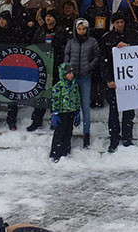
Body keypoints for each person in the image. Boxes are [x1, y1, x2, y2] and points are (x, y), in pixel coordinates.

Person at [100, 11, 138, 153]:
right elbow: (103, 61)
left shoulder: (133, 35)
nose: (120, 25)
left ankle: (127, 136)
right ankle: (114, 137)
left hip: (129, 80)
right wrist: (108, 80)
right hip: (114, 81)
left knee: (129, 110)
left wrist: (128, 47)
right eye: (117, 22)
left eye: (122, 22)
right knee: (113, 111)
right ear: (113, 23)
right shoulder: (107, 38)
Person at [27, 9, 68, 131]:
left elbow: (64, 48)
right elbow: (33, 46)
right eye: (46, 16)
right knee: (40, 94)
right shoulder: (40, 31)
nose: (48, 18)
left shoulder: (61, 31)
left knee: (55, 95)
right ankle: (36, 120)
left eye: (50, 16)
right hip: (42, 68)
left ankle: (55, 119)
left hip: (56, 67)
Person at [63, 18, 100, 148]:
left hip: (85, 76)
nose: (81, 31)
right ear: (75, 29)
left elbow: (97, 56)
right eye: (79, 29)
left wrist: (89, 67)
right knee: (71, 104)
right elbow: (66, 56)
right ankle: (69, 131)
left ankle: (86, 133)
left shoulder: (92, 42)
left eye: (84, 29)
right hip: (72, 77)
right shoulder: (71, 42)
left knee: (85, 105)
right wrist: (68, 70)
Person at [49, 63, 81, 162]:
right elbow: (55, 100)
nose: (71, 75)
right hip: (61, 113)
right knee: (59, 133)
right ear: (63, 74)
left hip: (71, 112)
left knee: (68, 132)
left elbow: (77, 98)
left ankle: (65, 152)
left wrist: (77, 110)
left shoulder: (74, 85)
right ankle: (55, 153)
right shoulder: (58, 86)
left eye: (72, 72)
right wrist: (55, 113)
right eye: (68, 73)